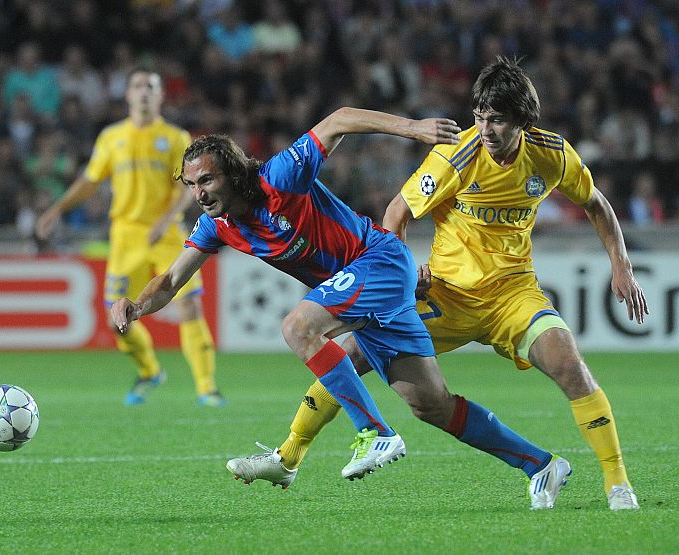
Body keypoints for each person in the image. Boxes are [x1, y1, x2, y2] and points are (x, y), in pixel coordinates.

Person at [227, 57, 647, 511]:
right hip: (445, 294)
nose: (485, 129)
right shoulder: (457, 155)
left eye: (497, 120)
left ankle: (618, 485)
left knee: (569, 365)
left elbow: (596, 204)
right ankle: (288, 456)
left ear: (523, 120)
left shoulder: (553, 155)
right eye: (479, 116)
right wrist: (406, 270)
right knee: (351, 357)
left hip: (513, 294)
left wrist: (621, 264)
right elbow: (396, 213)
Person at [111, 106, 568, 487]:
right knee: (431, 404)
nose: (198, 194)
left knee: (299, 327)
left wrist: (413, 129)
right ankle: (541, 465)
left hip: (378, 259)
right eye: (191, 185)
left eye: (207, 181)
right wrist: (136, 305)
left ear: (231, 173)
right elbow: (170, 280)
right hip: (363, 288)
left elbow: (340, 119)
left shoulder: (279, 178)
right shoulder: (217, 225)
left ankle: (374, 432)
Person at [36, 69, 225, 407]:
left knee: (189, 304)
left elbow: (187, 188)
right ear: (127, 95)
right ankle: (150, 371)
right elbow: (90, 180)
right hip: (126, 235)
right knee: (118, 318)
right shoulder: (111, 137)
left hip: (167, 233)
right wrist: (56, 209)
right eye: (137, 86)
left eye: (150, 86)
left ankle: (206, 387)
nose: (143, 92)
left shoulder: (175, 137)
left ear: (161, 96)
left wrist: (165, 221)